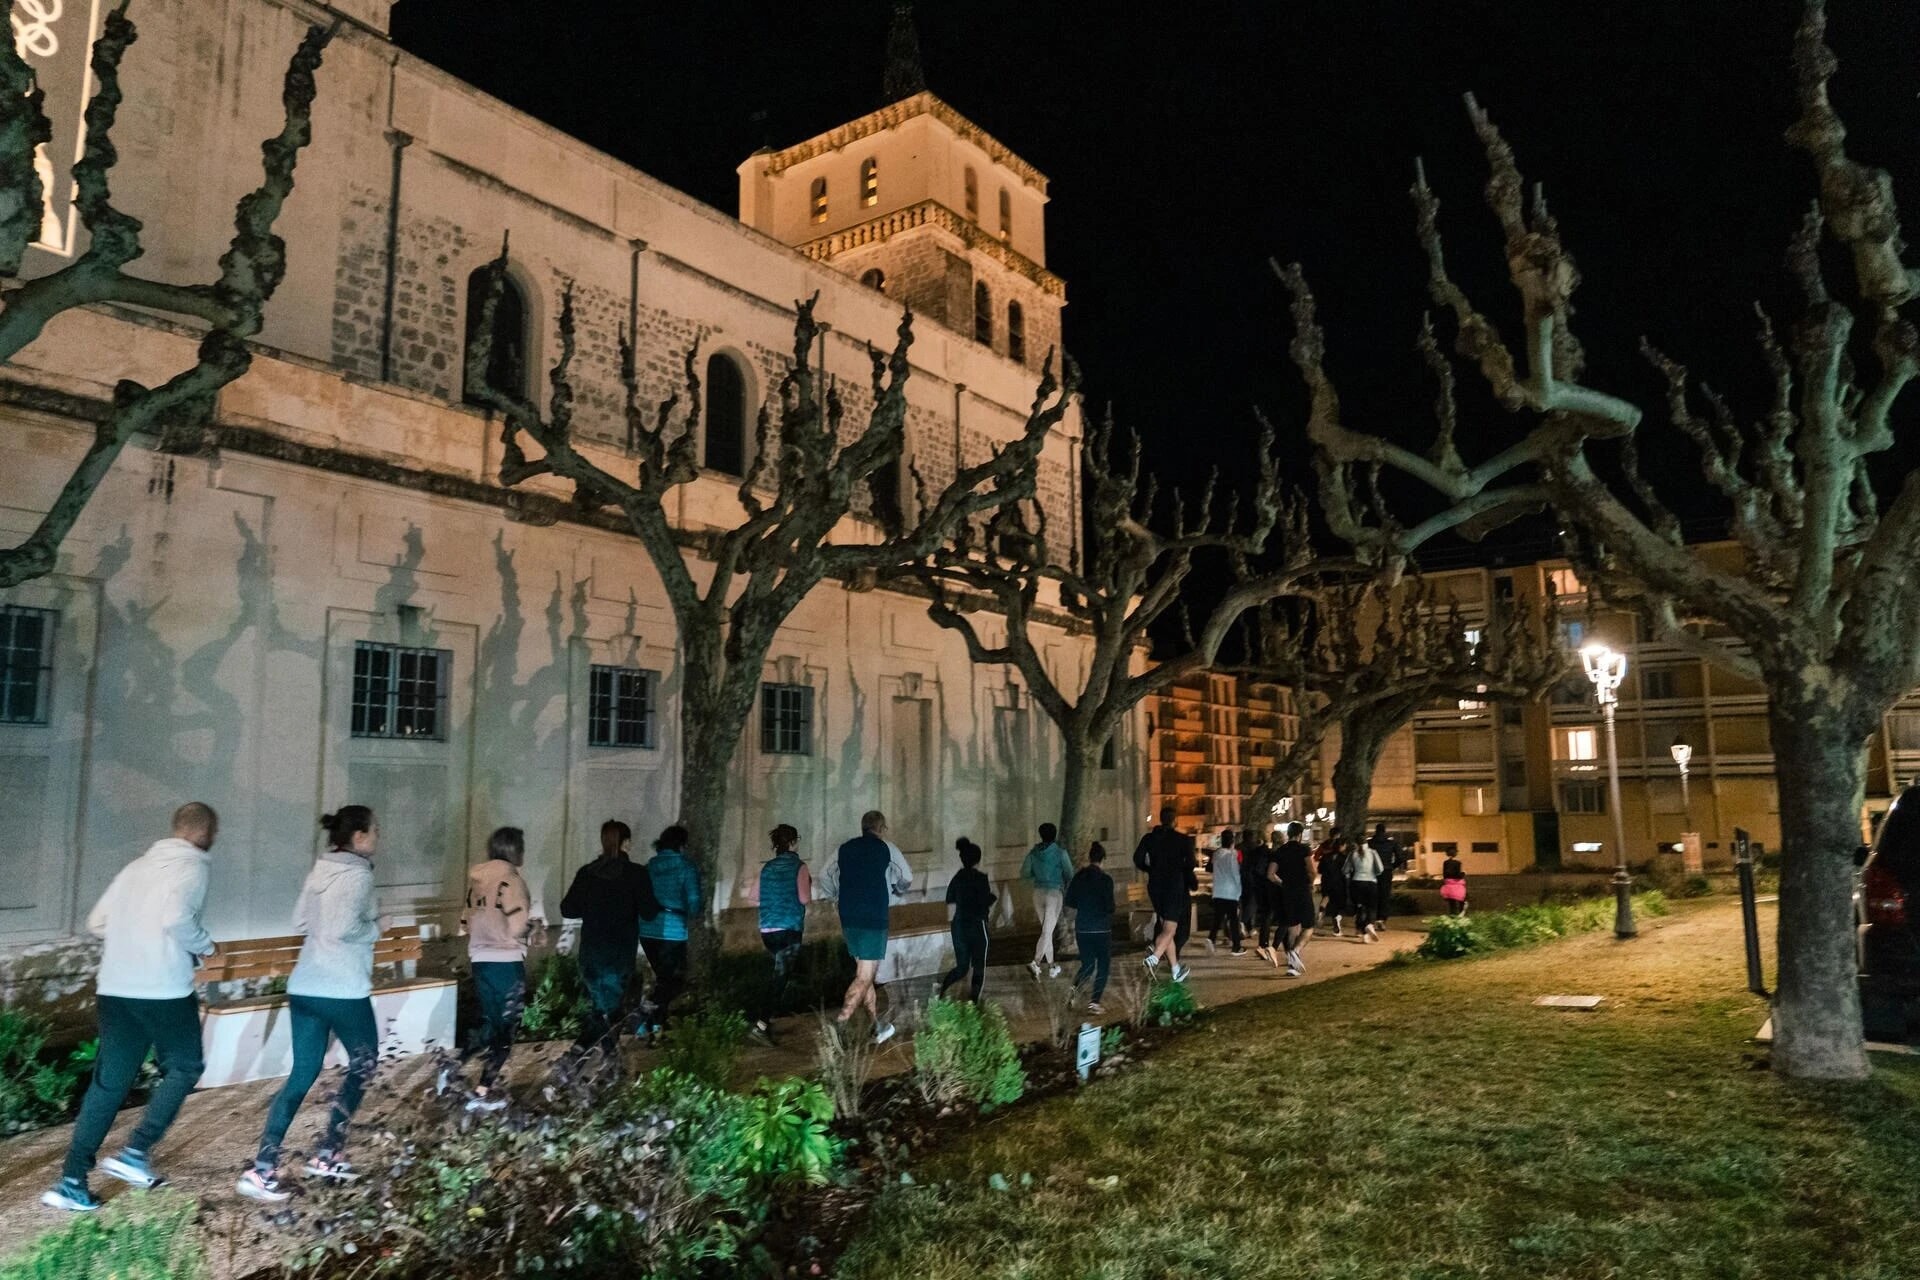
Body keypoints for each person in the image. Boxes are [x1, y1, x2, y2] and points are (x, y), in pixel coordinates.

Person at [44, 803, 221, 1213]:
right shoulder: (192, 866)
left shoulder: (135, 867)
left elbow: (98, 922)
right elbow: (178, 918)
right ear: (204, 831)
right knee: (186, 1066)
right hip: (162, 991)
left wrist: (135, 940)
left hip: (117, 989)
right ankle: (135, 1152)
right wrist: (207, 947)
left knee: (108, 1084)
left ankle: (72, 1180)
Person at [237, 806, 384, 1202]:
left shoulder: (319, 870)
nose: (378, 838)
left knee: (302, 1074)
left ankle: (263, 1167)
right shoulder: (358, 874)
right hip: (343, 987)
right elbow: (346, 927)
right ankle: (328, 1153)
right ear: (358, 838)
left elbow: (301, 922)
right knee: (365, 1063)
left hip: (305, 986)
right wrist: (374, 928)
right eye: (375, 831)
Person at [559, 820, 657, 1064]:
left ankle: (610, 1060)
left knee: (601, 1008)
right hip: (618, 956)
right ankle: (576, 1055)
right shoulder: (636, 874)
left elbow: (568, 908)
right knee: (608, 1010)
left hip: (591, 955)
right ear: (626, 843)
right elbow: (649, 912)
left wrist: (593, 906)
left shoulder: (587, 873)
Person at [456, 827, 534, 1112]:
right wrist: (531, 930)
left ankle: (454, 1065)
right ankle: (482, 1091)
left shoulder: (478, 883)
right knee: (507, 1028)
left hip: (480, 960)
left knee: (490, 1022)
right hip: (507, 961)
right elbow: (517, 927)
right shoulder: (511, 881)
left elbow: (464, 924)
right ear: (515, 850)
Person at [835, 810, 913, 1043]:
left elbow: (831, 875)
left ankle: (876, 1026)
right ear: (880, 828)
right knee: (864, 976)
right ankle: (839, 1024)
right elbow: (906, 877)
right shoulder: (886, 848)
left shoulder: (845, 848)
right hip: (872, 918)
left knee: (865, 974)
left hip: (849, 917)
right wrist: (898, 890)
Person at [744, 824, 811, 1042]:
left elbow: (753, 896)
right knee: (780, 978)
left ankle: (765, 1019)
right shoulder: (799, 866)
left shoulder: (767, 868)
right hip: (789, 928)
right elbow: (804, 899)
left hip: (768, 930)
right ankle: (761, 1025)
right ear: (793, 842)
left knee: (780, 974)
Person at [636, 825, 702, 1034]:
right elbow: (694, 901)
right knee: (675, 980)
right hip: (673, 931)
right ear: (681, 845)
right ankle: (644, 1014)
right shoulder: (686, 867)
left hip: (647, 930)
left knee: (662, 979)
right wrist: (694, 911)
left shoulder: (650, 866)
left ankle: (656, 1026)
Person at [1133, 807, 1196, 982]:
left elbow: (1137, 859)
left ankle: (1176, 970)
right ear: (1175, 821)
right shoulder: (1183, 840)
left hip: (1155, 886)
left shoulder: (1149, 838)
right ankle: (1153, 958)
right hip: (1174, 886)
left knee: (1165, 925)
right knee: (1170, 929)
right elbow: (1191, 863)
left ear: (1161, 819)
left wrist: (1150, 869)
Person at [938, 838, 995, 1001]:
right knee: (979, 967)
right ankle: (974, 1002)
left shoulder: (957, 878)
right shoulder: (982, 878)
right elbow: (984, 902)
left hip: (959, 927)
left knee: (962, 967)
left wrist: (953, 927)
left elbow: (950, 905)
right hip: (977, 926)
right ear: (978, 859)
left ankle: (942, 993)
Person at [1064, 842, 1117, 1012]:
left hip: (1083, 928)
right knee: (1103, 965)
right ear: (1103, 860)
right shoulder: (1106, 880)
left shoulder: (1079, 877)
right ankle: (1094, 1003)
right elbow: (1110, 907)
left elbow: (1070, 901)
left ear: (1090, 858)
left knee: (1087, 965)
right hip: (1101, 928)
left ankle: (1074, 991)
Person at [1020, 823, 1074, 979]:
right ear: (1055, 835)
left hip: (1038, 893)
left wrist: (1037, 876)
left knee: (1047, 930)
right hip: (1054, 893)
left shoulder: (1033, 853)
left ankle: (1052, 966)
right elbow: (1069, 873)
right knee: (1047, 930)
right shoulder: (1060, 853)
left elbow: (1024, 873)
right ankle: (1035, 962)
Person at [1271, 822, 1318, 975]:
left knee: (1292, 927)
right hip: (1302, 890)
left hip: (1287, 892)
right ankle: (1295, 952)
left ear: (1288, 834)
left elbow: (1270, 874)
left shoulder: (1280, 851)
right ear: (1300, 834)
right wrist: (1310, 883)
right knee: (1309, 926)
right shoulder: (1304, 849)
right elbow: (1312, 871)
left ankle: (1292, 966)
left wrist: (1282, 883)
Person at [1207, 828, 1245, 955]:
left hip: (1218, 891)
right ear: (1232, 841)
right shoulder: (1232, 855)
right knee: (1233, 920)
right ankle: (1236, 946)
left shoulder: (1217, 854)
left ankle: (1211, 938)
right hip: (1230, 892)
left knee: (1218, 918)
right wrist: (1239, 890)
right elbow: (1235, 874)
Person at [1344, 833, 1383, 943]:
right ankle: (1369, 924)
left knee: (1360, 907)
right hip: (1371, 882)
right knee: (1372, 907)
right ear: (1367, 842)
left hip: (1357, 883)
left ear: (1356, 843)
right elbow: (1380, 869)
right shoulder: (1373, 852)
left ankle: (1364, 933)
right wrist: (1373, 873)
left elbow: (1345, 870)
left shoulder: (1352, 854)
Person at [1370, 822, 1404, 932]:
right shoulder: (1392, 843)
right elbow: (1400, 857)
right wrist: (1392, 866)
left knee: (1373, 895)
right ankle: (1382, 919)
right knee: (1384, 895)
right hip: (1386, 871)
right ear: (1385, 831)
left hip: (1373, 872)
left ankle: (1372, 919)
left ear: (1376, 831)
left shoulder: (1370, 843)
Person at [1316, 836, 1350, 936]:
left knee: (1326, 897)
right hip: (1339, 882)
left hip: (1326, 881)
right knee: (1339, 903)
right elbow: (1346, 871)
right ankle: (1337, 920)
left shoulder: (1325, 856)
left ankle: (1321, 911)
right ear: (1342, 846)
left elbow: (1319, 870)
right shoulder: (1344, 858)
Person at [1441, 849, 1469, 916]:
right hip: (1457, 885)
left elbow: (1445, 875)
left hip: (1448, 885)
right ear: (1455, 854)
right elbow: (1457, 875)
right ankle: (1460, 915)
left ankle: (1452, 916)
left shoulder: (1445, 863)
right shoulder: (1458, 863)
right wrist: (1463, 873)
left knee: (1451, 903)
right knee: (1462, 900)